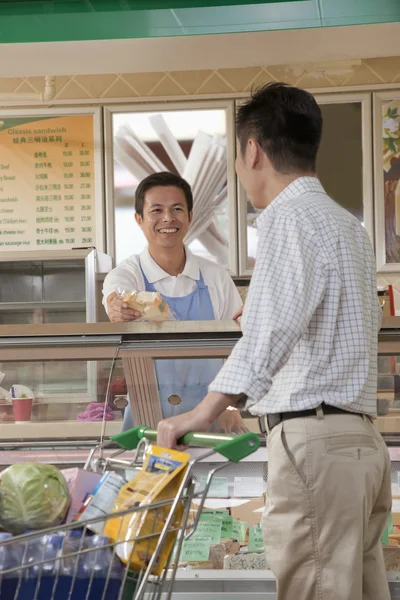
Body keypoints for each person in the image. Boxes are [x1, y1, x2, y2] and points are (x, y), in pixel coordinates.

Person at [157, 83, 391, 600]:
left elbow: (266, 337)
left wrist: (201, 413)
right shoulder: (347, 226)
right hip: (361, 444)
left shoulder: (287, 217)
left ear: (252, 149)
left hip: (314, 444)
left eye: (238, 159)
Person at [103, 171, 246, 434]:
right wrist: (116, 306)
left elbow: (238, 350)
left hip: (211, 419)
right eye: (156, 210)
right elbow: (116, 295)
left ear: (190, 216)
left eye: (177, 209)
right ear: (139, 219)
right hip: (148, 419)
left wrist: (230, 408)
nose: (168, 218)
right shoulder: (129, 273)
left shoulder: (215, 277)